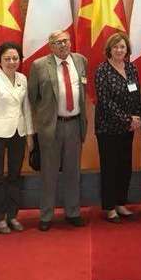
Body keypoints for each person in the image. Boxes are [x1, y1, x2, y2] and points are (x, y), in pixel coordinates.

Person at [28, 29, 88, 232]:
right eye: (57, 42)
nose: (62, 45)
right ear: (50, 46)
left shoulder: (81, 61)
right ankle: (46, 215)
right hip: (51, 127)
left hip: (74, 124)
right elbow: (32, 98)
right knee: (49, 173)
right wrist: (42, 121)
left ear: (70, 42)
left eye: (65, 41)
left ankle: (73, 212)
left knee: (73, 172)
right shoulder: (38, 65)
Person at [0, 42, 34, 234]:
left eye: (15, 58)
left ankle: (12, 215)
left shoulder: (22, 78)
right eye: (7, 59)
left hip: (19, 133)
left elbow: (26, 108)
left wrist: (30, 134)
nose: (12, 62)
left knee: (15, 176)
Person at [94, 32, 141, 223]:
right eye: (116, 47)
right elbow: (105, 102)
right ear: (109, 49)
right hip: (108, 128)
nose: (119, 50)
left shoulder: (131, 68)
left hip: (127, 128)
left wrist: (136, 117)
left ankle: (121, 203)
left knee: (125, 167)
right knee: (110, 168)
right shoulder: (102, 70)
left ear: (127, 49)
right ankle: (110, 207)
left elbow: (136, 94)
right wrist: (127, 119)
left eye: (122, 47)